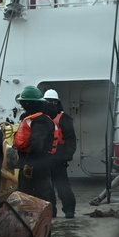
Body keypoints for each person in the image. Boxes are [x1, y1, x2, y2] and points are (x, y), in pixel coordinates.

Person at [12, 85, 57, 237]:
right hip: (32, 165)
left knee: (38, 206)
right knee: (28, 206)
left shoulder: (41, 120)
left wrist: (29, 165)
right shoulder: (34, 118)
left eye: (24, 103)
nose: (23, 106)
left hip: (36, 167)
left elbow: (37, 145)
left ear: (30, 103)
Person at [43, 88, 76, 219]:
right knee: (47, 187)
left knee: (63, 186)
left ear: (57, 102)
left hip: (59, 157)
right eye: (47, 101)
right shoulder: (42, 118)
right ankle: (52, 211)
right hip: (45, 158)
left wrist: (68, 155)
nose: (50, 104)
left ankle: (69, 210)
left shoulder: (65, 119)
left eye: (52, 101)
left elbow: (70, 138)